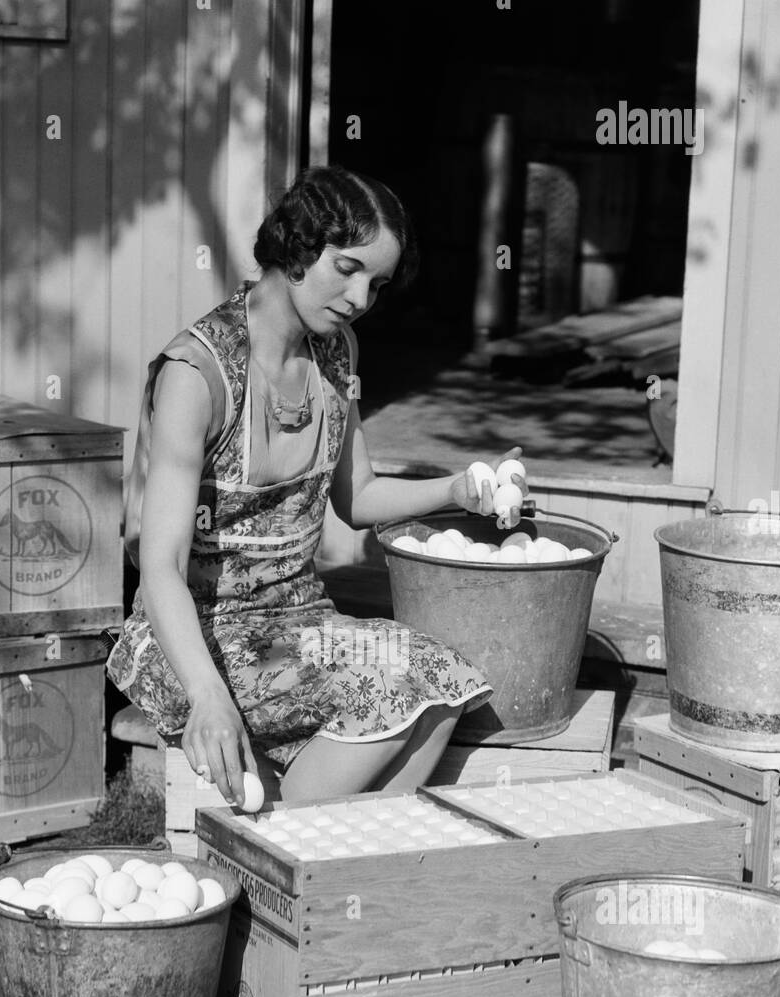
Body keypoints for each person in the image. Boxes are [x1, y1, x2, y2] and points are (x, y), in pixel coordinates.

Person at [107, 165, 525, 808]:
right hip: (193, 637)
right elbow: (158, 566)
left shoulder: (338, 355)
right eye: (348, 267)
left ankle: (321, 860)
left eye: (377, 283)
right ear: (298, 248)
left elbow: (356, 499)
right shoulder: (198, 374)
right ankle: (289, 851)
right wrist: (208, 697)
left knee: (444, 684)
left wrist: (459, 488)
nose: (361, 298)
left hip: (297, 626)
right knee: (393, 683)